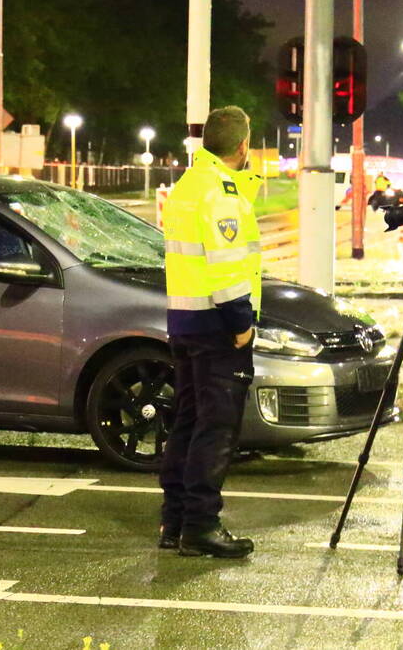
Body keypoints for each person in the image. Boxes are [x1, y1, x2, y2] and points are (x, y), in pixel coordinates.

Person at [159, 106, 262, 558]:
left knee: (188, 421)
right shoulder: (221, 194)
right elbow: (227, 266)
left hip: (185, 320)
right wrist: (241, 322)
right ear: (243, 146)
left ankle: (176, 520)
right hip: (217, 326)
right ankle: (201, 525)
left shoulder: (188, 185)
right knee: (216, 429)